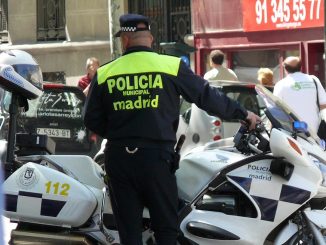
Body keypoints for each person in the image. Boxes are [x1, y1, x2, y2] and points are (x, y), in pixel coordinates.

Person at [83, 13, 260, 245]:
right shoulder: (171, 66)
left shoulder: (106, 72)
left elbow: (91, 119)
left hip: (119, 159)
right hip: (157, 159)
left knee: (129, 232)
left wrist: (119, 134)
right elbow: (207, 97)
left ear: (125, 40)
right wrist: (243, 114)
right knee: (166, 228)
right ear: (151, 39)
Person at [273, 56, 326, 133]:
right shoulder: (313, 80)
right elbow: (323, 105)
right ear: (300, 67)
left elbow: (275, 109)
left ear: (285, 68)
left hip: (293, 130)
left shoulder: (280, 84)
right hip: (315, 130)